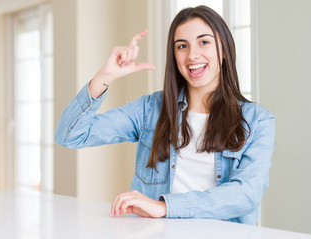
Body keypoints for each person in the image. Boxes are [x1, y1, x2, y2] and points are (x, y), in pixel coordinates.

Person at [54, 5, 275, 225]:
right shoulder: (150, 109)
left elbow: (247, 193)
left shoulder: (257, 121)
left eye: (204, 42)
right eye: (182, 46)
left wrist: (165, 206)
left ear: (224, 49)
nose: (192, 55)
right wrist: (105, 76)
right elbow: (70, 135)